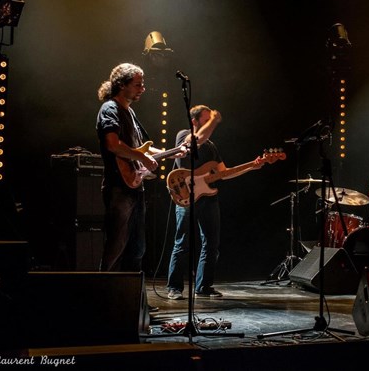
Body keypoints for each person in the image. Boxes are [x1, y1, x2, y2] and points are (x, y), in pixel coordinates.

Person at [166, 105, 264, 300]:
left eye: (209, 120)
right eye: (205, 120)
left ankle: (203, 286)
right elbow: (197, 140)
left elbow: (224, 173)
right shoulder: (184, 135)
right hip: (186, 195)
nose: (209, 123)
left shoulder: (211, 147)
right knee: (182, 243)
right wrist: (214, 120)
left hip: (208, 198)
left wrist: (252, 166)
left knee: (211, 244)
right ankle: (174, 288)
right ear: (194, 122)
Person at [96, 63, 184, 275]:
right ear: (121, 85)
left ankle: (133, 292)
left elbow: (141, 147)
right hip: (118, 185)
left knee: (137, 248)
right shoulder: (110, 109)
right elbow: (113, 144)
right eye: (137, 85)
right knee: (116, 245)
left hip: (134, 186)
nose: (142, 89)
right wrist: (142, 157)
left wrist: (171, 152)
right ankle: (103, 289)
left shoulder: (130, 112)